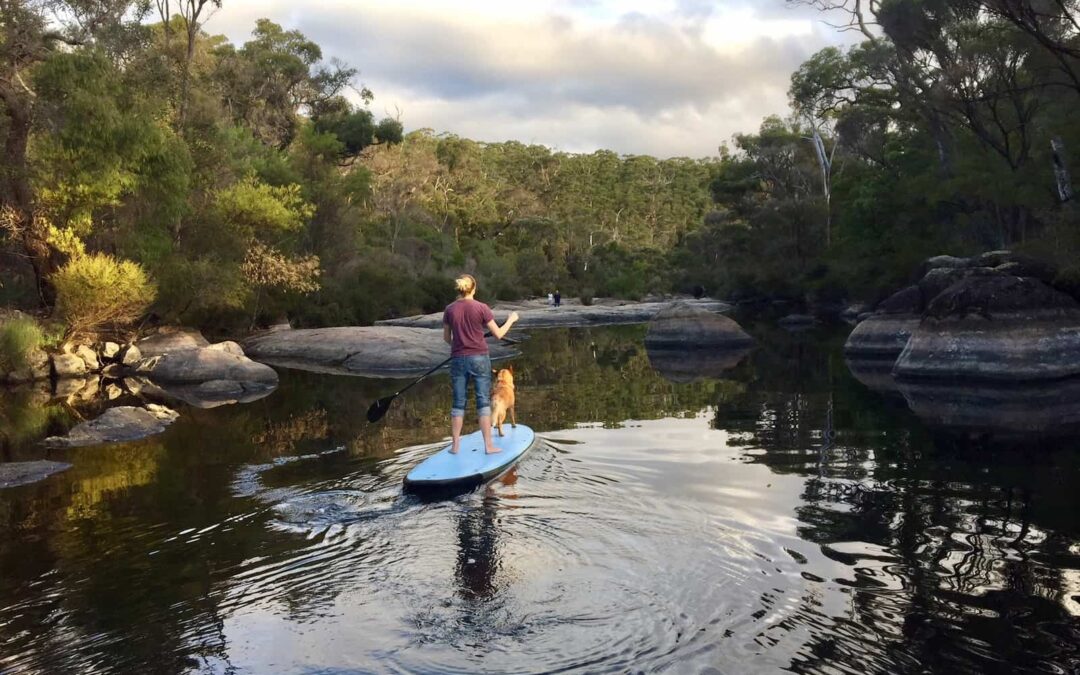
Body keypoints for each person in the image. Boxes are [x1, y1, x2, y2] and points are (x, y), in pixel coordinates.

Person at [443, 274, 519, 454]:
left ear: (459, 290)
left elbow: (447, 338)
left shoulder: (449, 309)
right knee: (482, 401)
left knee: (458, 402)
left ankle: (455, 447)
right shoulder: (481, 308)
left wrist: (461, 345)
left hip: (458, 359)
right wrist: (511, 319)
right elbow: (498, 334)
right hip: (479, 358)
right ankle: (489, 446)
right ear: (474, 289)